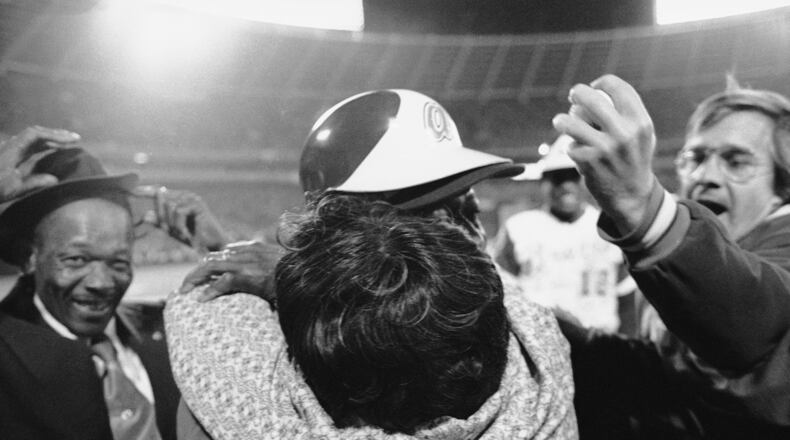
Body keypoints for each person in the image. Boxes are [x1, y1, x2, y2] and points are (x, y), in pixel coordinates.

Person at [167, 89, 578, 439]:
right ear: (348, 236)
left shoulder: (231, 367)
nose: (470, 238)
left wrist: (307, 281)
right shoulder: (534, 366)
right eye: (434, 219)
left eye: (469, 213)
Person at [552, 75, 790, 438]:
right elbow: (674, 381)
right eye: (694, 158)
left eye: (736, 161)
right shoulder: (674, 262)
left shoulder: (679, 250)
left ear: (782, 188)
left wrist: (643, 208)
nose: (705, 175)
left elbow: (746, 326)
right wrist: (574, 341)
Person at [0, 128, 229, 440]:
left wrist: (220, 250)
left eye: (118, 262)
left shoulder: (168, 328)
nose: (101, 282)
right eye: (76, 259)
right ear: (30, 257)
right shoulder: (7, 353)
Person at [493, 134, 628, 332]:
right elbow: (503, 296)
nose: (566, 186)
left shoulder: (612, 227)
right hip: (541, 338)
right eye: (557, 177)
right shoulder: (518, 227)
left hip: (601, 338)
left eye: (573, 176)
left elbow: (626, 296)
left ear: (586, 180)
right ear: (543, 182)